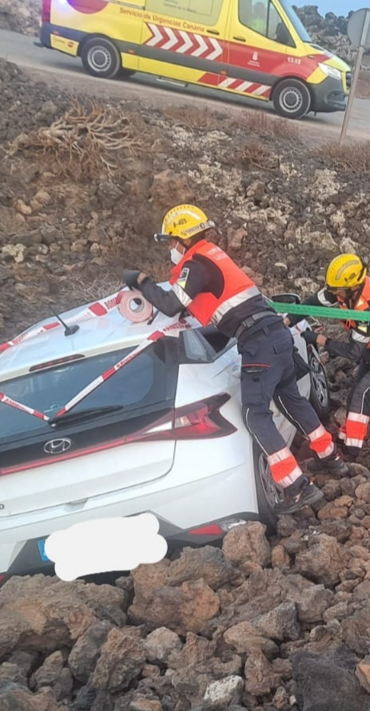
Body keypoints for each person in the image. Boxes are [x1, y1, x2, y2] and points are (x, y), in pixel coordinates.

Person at [124, 205, 349, 514]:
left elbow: (170, 304)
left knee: (256, 416)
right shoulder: (213, 255)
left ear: (183, 238)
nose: (170, 249)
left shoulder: (197, 263)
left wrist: (140, 280)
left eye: (170, 241)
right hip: (274, 335)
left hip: (258, 342)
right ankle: (332, 458)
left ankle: (298, 488)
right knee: (293, 400)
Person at [289, 254, 370, 458]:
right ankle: (346, 437)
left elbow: (353, 352)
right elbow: (311, 303)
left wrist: (318, 339)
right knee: (355, 391)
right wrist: (286, 320)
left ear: (354, 287)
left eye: (337, 291)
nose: (333, 295)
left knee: (363, 391)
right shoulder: (341, 290)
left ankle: (352, 451)